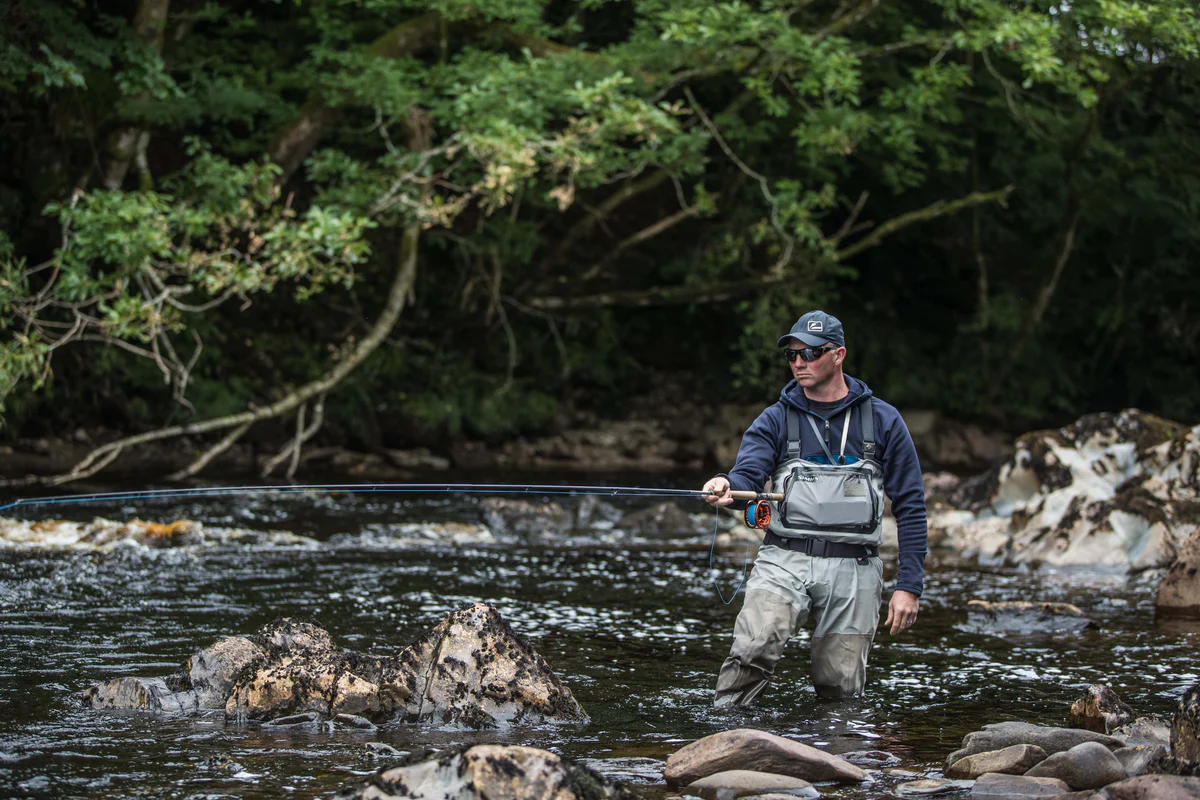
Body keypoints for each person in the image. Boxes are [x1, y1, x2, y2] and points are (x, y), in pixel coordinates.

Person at [703, 310, 927, 705]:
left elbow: (911, 505)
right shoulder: (775, 419)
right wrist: (727, 487)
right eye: (792, 355)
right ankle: (725, 732)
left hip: (856, 565)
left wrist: (909, 586)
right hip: (783, 558)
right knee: (752, 649)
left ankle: (833, 742)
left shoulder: (883, 420)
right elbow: (748, 477)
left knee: (840, 686)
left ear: (838, 355)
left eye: (810, 353)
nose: (799, 363)